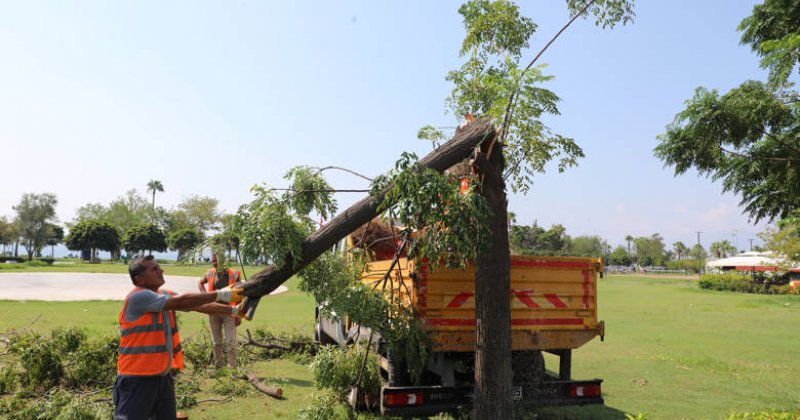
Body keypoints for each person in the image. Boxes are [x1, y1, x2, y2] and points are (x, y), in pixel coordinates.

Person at [114, 255, 243, 420]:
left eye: (159, 266)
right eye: (154, 269)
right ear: (140, 279)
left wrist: (233, 311)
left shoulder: (164, 294)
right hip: (137, 379)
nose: (161, 270)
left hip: (162, 377)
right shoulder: (138, 297)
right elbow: (182, 301)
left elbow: (198, 305)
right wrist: (222, 294)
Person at [198, 253, 242, 369]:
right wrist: (204, 297)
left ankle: (232, 369)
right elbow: (200, 283)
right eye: (213, 262)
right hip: (213, 312)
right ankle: (219, 368)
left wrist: (239, 315)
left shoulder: (234, 274)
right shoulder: (210, 272)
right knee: (216, 342)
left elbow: (240, 295)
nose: (214, 264)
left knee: (230, 343)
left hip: (230, 312)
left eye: (216, 262)